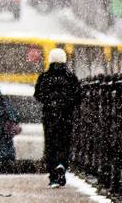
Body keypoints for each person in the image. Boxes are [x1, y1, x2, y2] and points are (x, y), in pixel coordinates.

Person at [34, 48, 81, 187]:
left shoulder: (44, 77)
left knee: (51, 144)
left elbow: (37, 94)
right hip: (66, 116)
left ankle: (53, 175)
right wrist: (66, 104)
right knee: (64, 142)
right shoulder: (70, 78)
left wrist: (50, 102)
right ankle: (62, 164)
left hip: (49, 116)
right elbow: (78, 97)